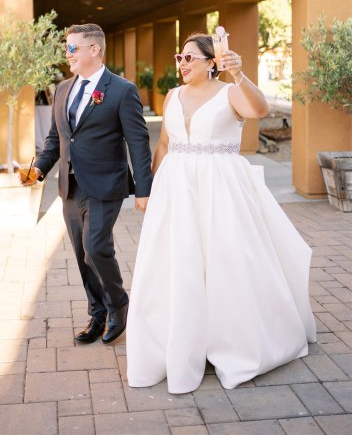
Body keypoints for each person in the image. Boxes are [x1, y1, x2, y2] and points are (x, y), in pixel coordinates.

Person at [126, 32, 316, 393]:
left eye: (189, 58)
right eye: (178, 57)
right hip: (176, 189)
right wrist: (146, 190)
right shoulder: (172, 96)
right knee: (178, 263)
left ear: (212, 63)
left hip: (221, 189)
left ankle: (231, 341)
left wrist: (239, 75)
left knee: (226, 261)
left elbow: (260, 111)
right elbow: (164, 144)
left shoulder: (230, 92)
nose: (181, 64)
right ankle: (180, 339)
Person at [21, 23, 153, 345]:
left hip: (107, 184)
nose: (67, 55)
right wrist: (39, 167)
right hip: (69, 185)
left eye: (72, 49)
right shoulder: (63, 89)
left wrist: (145, 190)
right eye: (67, 49)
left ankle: (119, 306)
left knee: (96, 248)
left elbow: (138, 142)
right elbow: (57, 138)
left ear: (94, 50)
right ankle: (97, 314)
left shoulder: (122, 90)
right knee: (82, 254)